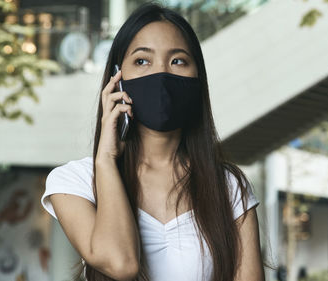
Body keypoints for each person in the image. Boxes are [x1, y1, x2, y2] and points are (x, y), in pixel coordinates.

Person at [40, 2, 269, 281]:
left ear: (198, 79)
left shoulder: (228, 185)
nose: (161, 75)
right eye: (142, 61)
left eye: (178, 61)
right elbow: (121, 264)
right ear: (116, 80)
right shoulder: (73, 182)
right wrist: (106, 161)